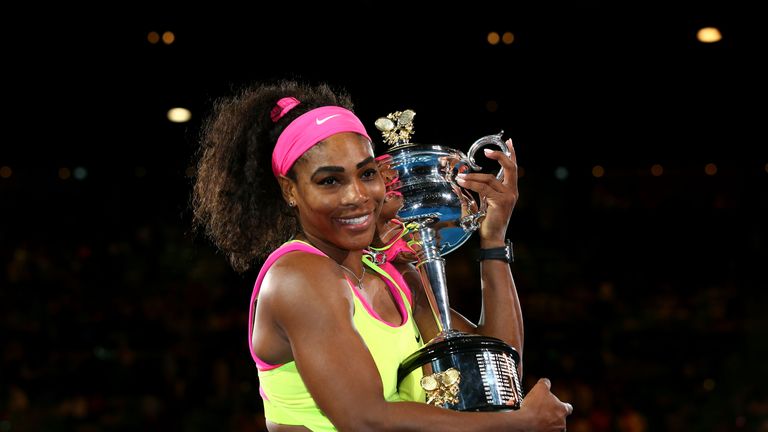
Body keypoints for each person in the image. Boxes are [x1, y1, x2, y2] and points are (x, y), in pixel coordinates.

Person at [192, 79, 573, 431]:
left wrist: (493, 239)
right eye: (329, 180)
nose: (357, 195)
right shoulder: (298, 276)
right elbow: (365, 420)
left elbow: (495, 372)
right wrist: (519, 423)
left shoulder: (390, 273)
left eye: (367, 173)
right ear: (290, 190)